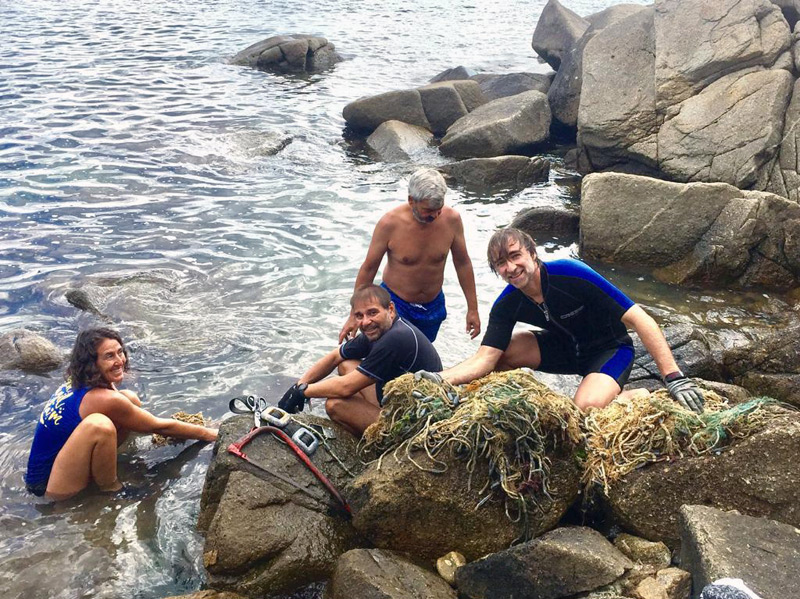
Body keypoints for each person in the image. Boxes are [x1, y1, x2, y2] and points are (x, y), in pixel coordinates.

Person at [420, 227, 704, 413]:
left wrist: (674, 378)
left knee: (585, 409)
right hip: (565, 350)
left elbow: (641, 320)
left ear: (532, 253)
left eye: (515, 256)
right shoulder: (507, 303)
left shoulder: (572, 273)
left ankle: (637, 395)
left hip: (609, 349)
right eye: (501, 264)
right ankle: (512, 408)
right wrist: (440, 379)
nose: (510, 268)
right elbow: (484, 358)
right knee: (505, 352)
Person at [25, 328, 218, 501]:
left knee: (129, 399)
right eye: (109, 356)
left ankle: (107, 470)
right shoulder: (101, 397)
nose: (120, 361)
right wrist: (209, 434)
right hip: (49, 486)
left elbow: (139, 418)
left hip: (60, 466)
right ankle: (112, 490)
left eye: (120, 352)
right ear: (92, 363)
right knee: (100, 425)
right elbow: (158, 426)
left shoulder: (80, 380)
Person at [338, 168, 480, 344]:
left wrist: (472, 309)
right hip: (396, 304)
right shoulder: (389, 223)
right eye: (428, 210)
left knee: (419, 356)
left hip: (432, 306)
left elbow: (463, 263)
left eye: (439, 209)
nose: (435, 215)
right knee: (389, 355)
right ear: (411, 201)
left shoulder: (452, 220)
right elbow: (369, 268)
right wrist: (354, 314)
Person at [280, 285, 442, 436]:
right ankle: (371, 415)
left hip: (415, 423)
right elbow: (336, 356)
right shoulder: (380, 329)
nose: (365, 322)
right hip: (398, 403)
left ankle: (378, 443)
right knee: (346, 364)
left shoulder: (396, 338)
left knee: (335, 405)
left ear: (390, 310)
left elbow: (346, 387)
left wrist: (303, 392)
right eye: (359, 316)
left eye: (373, 313)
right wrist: (298, 385)